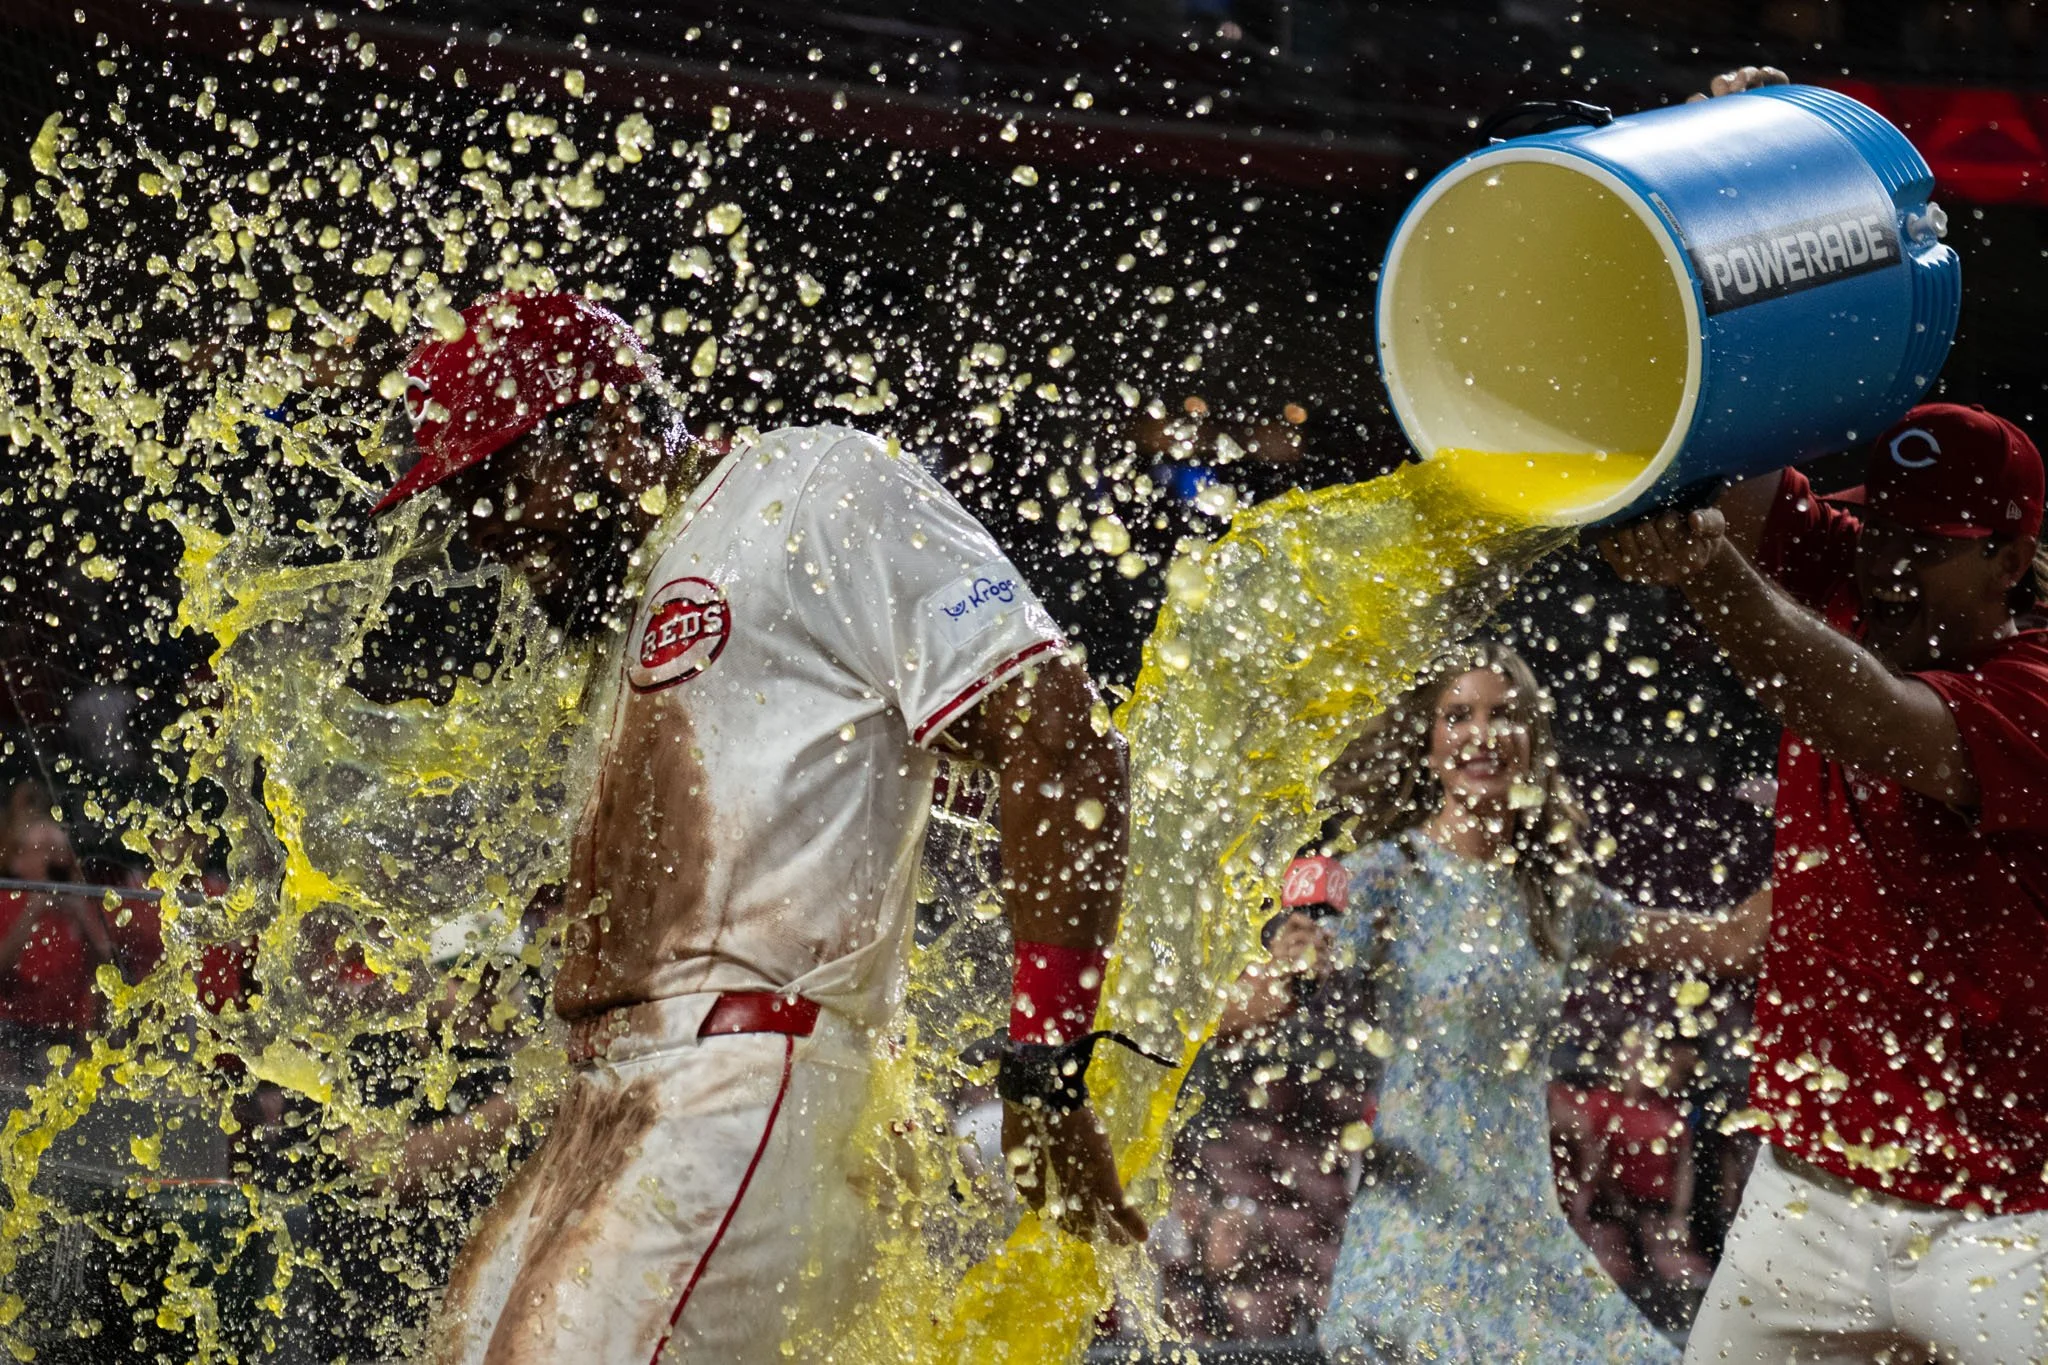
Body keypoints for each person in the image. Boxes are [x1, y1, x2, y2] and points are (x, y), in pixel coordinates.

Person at [365, 291, 1141, 1365]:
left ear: (614, 426)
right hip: (612, 1102)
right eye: (468, 497)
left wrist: (1046, 1070)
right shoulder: (627, 593)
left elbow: (1064, 736)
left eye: (505, 478)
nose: (486, 526)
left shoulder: (813, 483)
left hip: (751, 1073)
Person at [1600, 401, 2048, 1362]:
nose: (1886, 564)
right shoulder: (1862, 574)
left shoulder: (2039, 684)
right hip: (1804, 1194)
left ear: (2011, 560)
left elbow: (1867, 715)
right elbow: (1736, 449)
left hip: (2012, 1225)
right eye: (1878, 527)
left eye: (1926, 544)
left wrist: (1708, 567)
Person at [1224, 641, 1684, 1363]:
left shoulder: (1551, 895)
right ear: (1430, 744)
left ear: (1531, 738)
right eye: (1457, 715)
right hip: (1417, 1236)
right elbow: (1274, 983)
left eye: (1504, 715)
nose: (1481, 735)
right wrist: (1287, 972)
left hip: (1527, 1236)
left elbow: (1713, 943)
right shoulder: (1388, 875)